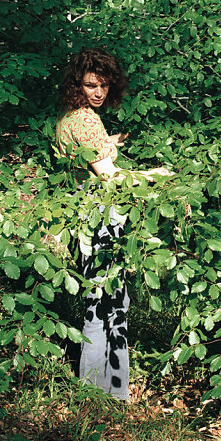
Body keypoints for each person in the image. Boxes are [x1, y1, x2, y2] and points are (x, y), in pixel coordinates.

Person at [54, 47, 167, 401]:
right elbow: (111, 178)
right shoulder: (87, 120)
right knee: (109, 304)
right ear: (78, 84)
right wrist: (154, 175)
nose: (99, 92)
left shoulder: (70, 118)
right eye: (91, 85)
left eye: (104, 85)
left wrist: (109, 144)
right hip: (100, 217)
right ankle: (106, 392)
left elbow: (84, 157)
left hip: (82, 216)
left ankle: (101, 390)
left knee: (102, 299)